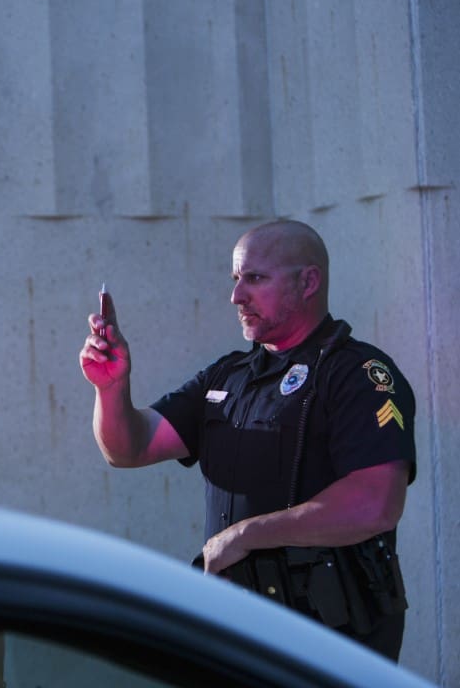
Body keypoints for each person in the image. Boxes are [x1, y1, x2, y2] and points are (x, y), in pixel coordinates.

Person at [79, 220, 416, 660]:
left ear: (308, 281)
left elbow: (376, 503)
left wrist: (246, 535)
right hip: (240, 633)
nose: (236, 296)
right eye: (236, 279)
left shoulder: (358, 374)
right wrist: (110, 388)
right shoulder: (227, 376)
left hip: (330, 640)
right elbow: (129, 448)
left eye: (254, 278)